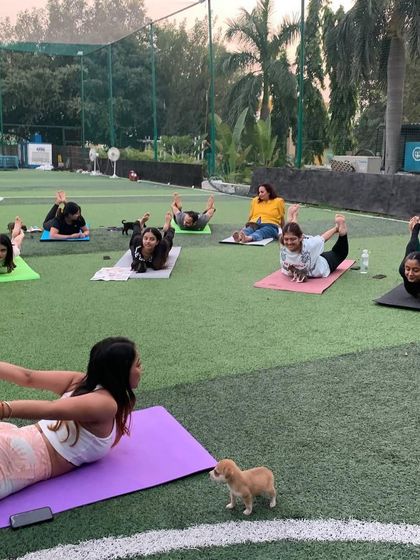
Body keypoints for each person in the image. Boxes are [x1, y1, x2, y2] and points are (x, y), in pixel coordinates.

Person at [0, 337, 141, 500]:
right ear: (120, 371)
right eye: (137, 364)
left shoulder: (80, 382)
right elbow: (50, 408)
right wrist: (3, 409)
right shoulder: (106, 403)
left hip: (18, 440)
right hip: (20, 458)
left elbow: (28, 377)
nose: (141, 369)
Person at [280, 204, 349, 281]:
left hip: (318, 264)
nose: (289, 242)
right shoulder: (285, 241)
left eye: (293, 239)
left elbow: (323, 238)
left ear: (301, 238)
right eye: (286, 239)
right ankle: (342, 232)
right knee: (338, 253)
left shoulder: (308, 244)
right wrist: (291, 216)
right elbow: (291, 229)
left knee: (336, 253)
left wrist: (336, 229)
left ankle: (341, 229)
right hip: (315, 265)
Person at [399, 216, 420, 298]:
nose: (410, 274)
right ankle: (415, 228)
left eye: (415, 270)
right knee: (411, 249)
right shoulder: (402, 269)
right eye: (407, 269)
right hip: (413, 291)